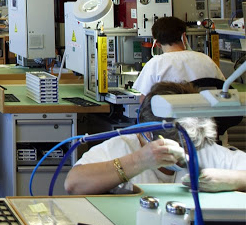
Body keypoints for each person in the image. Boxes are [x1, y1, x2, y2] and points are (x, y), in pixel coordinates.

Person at [64, 81, 246, 195]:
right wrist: (139, 161)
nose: (186, 153)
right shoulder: (122, 147)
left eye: (191, 148)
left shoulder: (203, 148)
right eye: (180, 147)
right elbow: (73, 183)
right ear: (149, 134)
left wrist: (231, 179)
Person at [133, 16, 224, 99]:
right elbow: (223, 88)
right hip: (206, 115)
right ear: (184, 37)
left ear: (157, 44)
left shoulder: (156, 63)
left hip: (170, 116)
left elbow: (144, 100)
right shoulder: (206, 59)